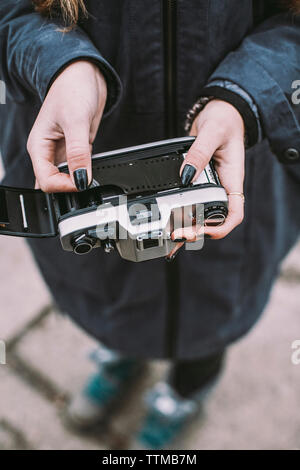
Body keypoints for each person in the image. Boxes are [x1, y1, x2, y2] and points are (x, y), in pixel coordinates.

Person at [0, 0, 300, 449]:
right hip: (91, 170)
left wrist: (249, 93)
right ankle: (121, 352)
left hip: (235, 166)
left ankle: (185, 391)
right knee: (111, 303)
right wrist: (59, 59)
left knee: (211, 319)